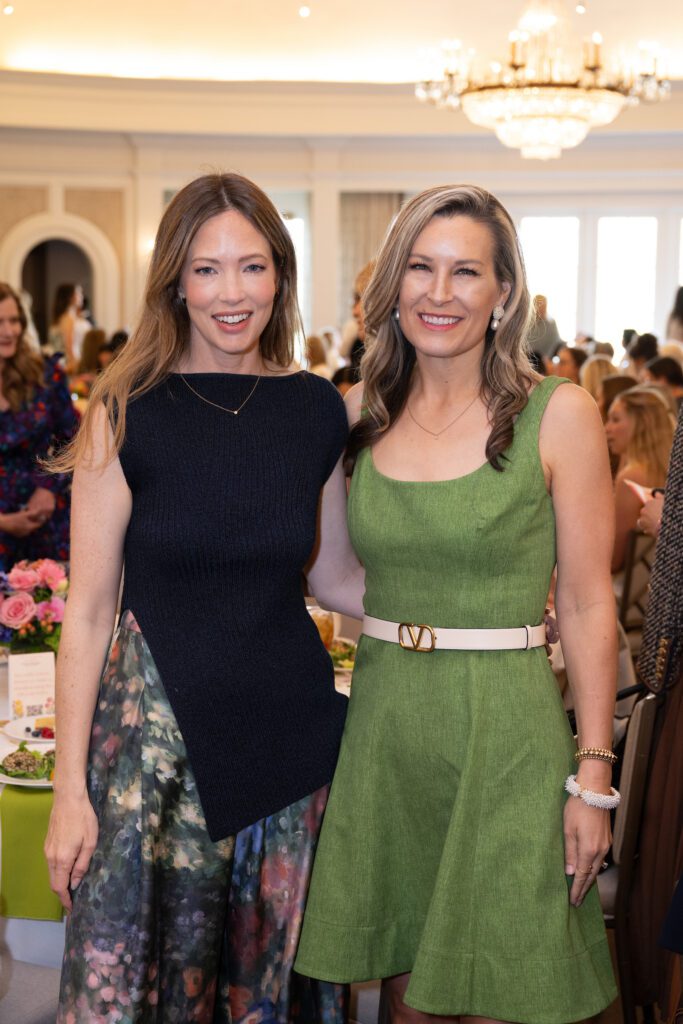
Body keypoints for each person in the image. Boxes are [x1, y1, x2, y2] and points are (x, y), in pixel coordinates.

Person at [44, 172, 365, 1023]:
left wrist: (474, 612)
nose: (232, 293)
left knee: (268, 995)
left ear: (280, 277)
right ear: (175, 283)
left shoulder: (313, 411)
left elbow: (333, 578)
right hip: (151, 759)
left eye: (252, 267)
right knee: (142, 990)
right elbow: (87, 610)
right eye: (207, 269)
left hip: (290, 750)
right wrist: (68, 791)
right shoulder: (125, 408)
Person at [296, 184, 618, 1024]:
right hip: (389, 725)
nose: (439, 294)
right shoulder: (353, 415)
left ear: (502, 292)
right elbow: (332, 580)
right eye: (420, 268)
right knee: (407, 1000)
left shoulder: (560, 415)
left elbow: (587, 605)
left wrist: (592, 779)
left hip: (508, 730)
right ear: (391, 284)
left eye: (465, 272)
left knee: (510, 987)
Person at [0, 282, 78, 572]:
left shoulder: (45, 374)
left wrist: (49, 488)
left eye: (14, 320)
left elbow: (72, 439)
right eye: (0, 322)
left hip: (47, 521)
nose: (9, 331)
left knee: (53, 611)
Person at [604, 387, 675, 572]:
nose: (607, 428)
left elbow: (613, 560)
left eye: (616, 419)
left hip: (627, 591)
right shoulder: (671, 471)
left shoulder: (631, 477)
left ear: (641, 424)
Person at [527, 293, 560, 357]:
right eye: (539, 305)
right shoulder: (526, 323)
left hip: (546, 359)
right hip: (528, 357)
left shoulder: (551, 323)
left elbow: (557, 342)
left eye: (544, 306)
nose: (542, 309)